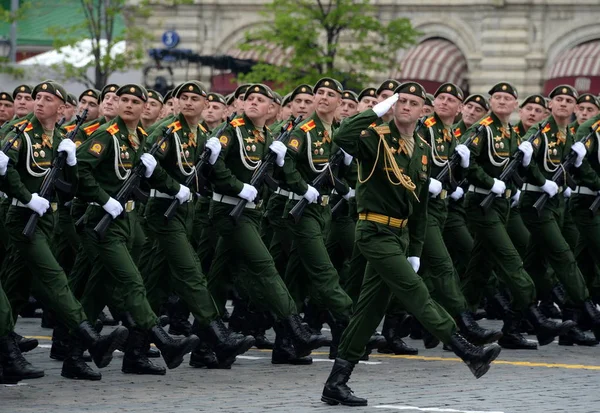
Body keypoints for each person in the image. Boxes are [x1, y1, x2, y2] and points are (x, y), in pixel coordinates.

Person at [321, 84, 501, 407]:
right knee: (416, 292)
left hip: (399, 235)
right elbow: (341, 136)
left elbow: (420, 209)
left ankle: (336, 382)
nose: (405, 106)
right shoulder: (374, 137)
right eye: (401, 101)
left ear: (423, 111)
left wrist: (416, 249)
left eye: (413, 103)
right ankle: (467, 351)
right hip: (373, 230)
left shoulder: (420, 149)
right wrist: (376, 110)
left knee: (368, 311)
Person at [2, 81, 128, 380]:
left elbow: (70, 187)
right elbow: (7, 171)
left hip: (48, 220)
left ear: (61, 108)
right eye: (38, 98)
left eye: (48, 99)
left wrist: (70, 160)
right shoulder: (21, 133)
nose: (40, 102)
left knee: (13, 288)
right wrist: (27, 197)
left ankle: (7, 352)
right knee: (55, 279)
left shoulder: (60, 137)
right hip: (21, 217)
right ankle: (90, 339)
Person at [75, 83, 200, 378]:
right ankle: (163, 340)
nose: (128, 105)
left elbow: (152, 172)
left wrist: (177, 188)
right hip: (102, 220)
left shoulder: (140, 138)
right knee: (132, 283)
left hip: (128, 221)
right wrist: (104, 199)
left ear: (145, 108)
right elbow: (79, 169)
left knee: (96, 291)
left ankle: (73, 355)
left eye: (135, 101)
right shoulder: (107, 136)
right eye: (124, 100)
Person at [460, 82, 575, 350]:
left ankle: (465, 326)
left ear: (514, 105)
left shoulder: (510, 132)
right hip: (481, 203)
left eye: (507, 98)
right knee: (513, 262)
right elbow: (468, 163)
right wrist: (490, 183)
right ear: (492, 102)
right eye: (497, 97)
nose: (501, 101)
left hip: (501, 205)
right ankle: (534, 318)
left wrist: (515, 183)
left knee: (479, 268)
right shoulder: (483, 129)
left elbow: (512, 170)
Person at [520, 85, 600, 346]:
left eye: (569, 100)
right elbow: (524, 157)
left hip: (557, 204)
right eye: (559, 100)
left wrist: (576, 167)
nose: (564, 104)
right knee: (563, 255)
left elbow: (573, 169)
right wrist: (542, 181)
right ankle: (585, 309)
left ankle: (519, 321)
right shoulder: (540, 130)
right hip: (536, 201)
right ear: (550, 105)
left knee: (534, 263)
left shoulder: (571, 135)